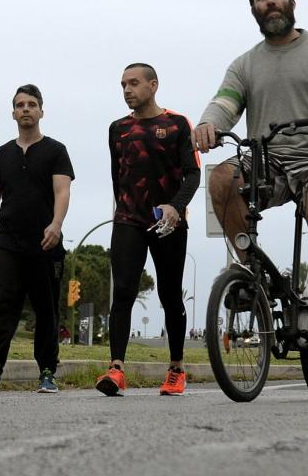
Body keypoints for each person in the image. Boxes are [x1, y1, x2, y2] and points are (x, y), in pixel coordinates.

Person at [192, 0, 308, 368]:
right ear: (253, 9)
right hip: (268, 160)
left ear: (291, 1)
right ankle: (248, 270)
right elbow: (225, 104)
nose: (269, 1)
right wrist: (208, 125)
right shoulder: (245, 63)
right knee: (221, 176)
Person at [95, 64, 200, 397]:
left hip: (167, 222)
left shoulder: (177, 124)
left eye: (134, 83)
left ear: (153, 85)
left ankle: (176, 369)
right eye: (123, 84)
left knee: (170, 295)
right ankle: (116, 370)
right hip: (128, 220)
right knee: (123, 291)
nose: (127, 90)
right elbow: (118, 175)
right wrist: (122, 209)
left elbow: (193, 175)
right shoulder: (117, 129)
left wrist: (175, 206)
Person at [0, 84, 74, 393]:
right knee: (1, 304)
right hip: (8, 242)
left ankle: (48, 373)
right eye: (20, 104)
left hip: (45, 244)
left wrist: (56, 223)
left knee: (46, 310)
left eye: (32, 104)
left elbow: (62, 191)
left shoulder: (56, 151)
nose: (26, 109)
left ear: (41, 111)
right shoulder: (1, 155)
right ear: (13, 112)